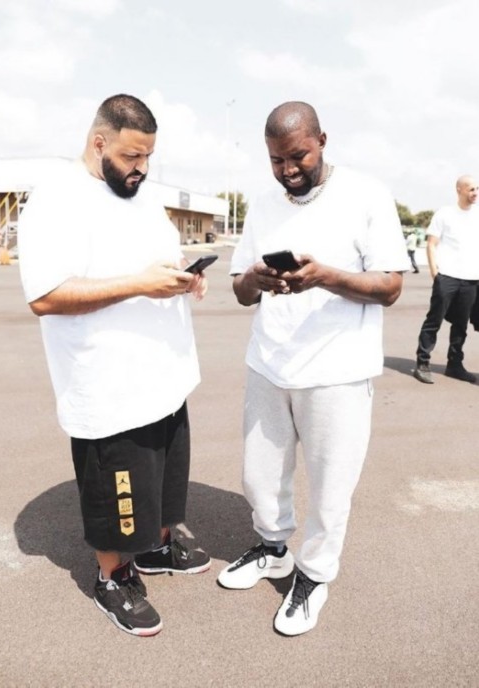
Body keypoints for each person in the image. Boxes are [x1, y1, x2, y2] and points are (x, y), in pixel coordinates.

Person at [18, 94, 211, 638]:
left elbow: (160, 261)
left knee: (165, 481)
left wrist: (185, 276)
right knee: (119, 491)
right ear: (99, 142)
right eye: (131, 156)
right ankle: (113, 577)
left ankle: (157, 547)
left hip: (165, 374)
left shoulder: (144, 197)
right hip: (109, 385)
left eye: (148, 156)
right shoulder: (56, 199)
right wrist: (139, 285)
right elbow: (46, 295)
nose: (141, 168)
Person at [216, 101, 409, 636]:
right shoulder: (263, 203)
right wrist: (255, 278)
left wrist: (325, 276)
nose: (288, 170)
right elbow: (239, 290)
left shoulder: (366, 194)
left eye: (297, 156)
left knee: (330, 486)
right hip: (268, 363)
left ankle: (315, 574)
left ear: (322, 140)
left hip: (337, 372)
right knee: (259, 477)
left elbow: (391, 286)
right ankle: (273, 548)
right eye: (276, 160)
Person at [413, 176, 479, 384]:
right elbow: (431, 244)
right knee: (434, 321)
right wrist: (435, 273)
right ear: (459, 189)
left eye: (477, 189)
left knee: (460, 325)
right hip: (447, 276)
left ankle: (454, 365)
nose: (475, 193)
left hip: (471, 280)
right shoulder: (445, 214)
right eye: (471, 189)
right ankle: (422, 363)